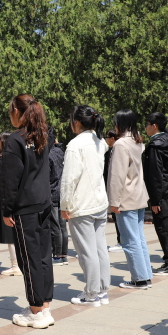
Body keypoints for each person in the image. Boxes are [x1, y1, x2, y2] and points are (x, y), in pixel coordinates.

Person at [0, 94, 55, 328]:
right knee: (43, 257)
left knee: (28, 259)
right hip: (44, 202)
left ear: (17, 112)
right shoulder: (44, 135)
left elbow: (10, 180)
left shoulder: (15, 140)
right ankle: (45, 307)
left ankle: (35, 312)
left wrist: (6, 210)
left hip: (25, 207)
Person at [60, 105, 111, 306]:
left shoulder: (75, 145)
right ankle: (102, 290)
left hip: (82, 205)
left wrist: (65, 204)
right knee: (100, 249)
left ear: (77, 122)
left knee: (87, 252)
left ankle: (91, 294)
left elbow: (69, 179)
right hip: (99, 202)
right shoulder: (99, 141)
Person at [108, 109, 153, 289]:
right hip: (139, 195)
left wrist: (113, 201)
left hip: (126, 198)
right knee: (139, 238)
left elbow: (117, 176)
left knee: (129, 240)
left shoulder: (121, 144)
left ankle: (139, 279)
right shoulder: (137, 141)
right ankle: (145, 275)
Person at [143, 112, 168, 276]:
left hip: (161, 193)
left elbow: (155, 174)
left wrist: (155, 199)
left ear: (154, 126)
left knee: (164, 228)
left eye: (147, 125)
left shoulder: (156, 145)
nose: (145, 128)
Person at [0, 132, 21, 276]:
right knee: (19, 235)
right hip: (20, 200)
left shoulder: (3, 158)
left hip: (6, 200)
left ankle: (15, 265)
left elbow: (0, 182)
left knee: (11, 237)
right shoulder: (19, 156)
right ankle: (21, 264)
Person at [49, 134, 70, 266]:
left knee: (54, 226)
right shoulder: (61, 152)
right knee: (62, 226)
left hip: (52, 192)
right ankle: (63, 255)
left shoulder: (47, 154)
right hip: (62, 192)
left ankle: (56, 256)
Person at [105, 130, 123, 251]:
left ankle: (122, 241)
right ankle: (121, 240)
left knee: (118, 216)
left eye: (107, 137)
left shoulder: (116, 150)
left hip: (115, 188)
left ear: (112, 138)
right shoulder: (109, 151)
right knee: (116, 216)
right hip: (109, 186)